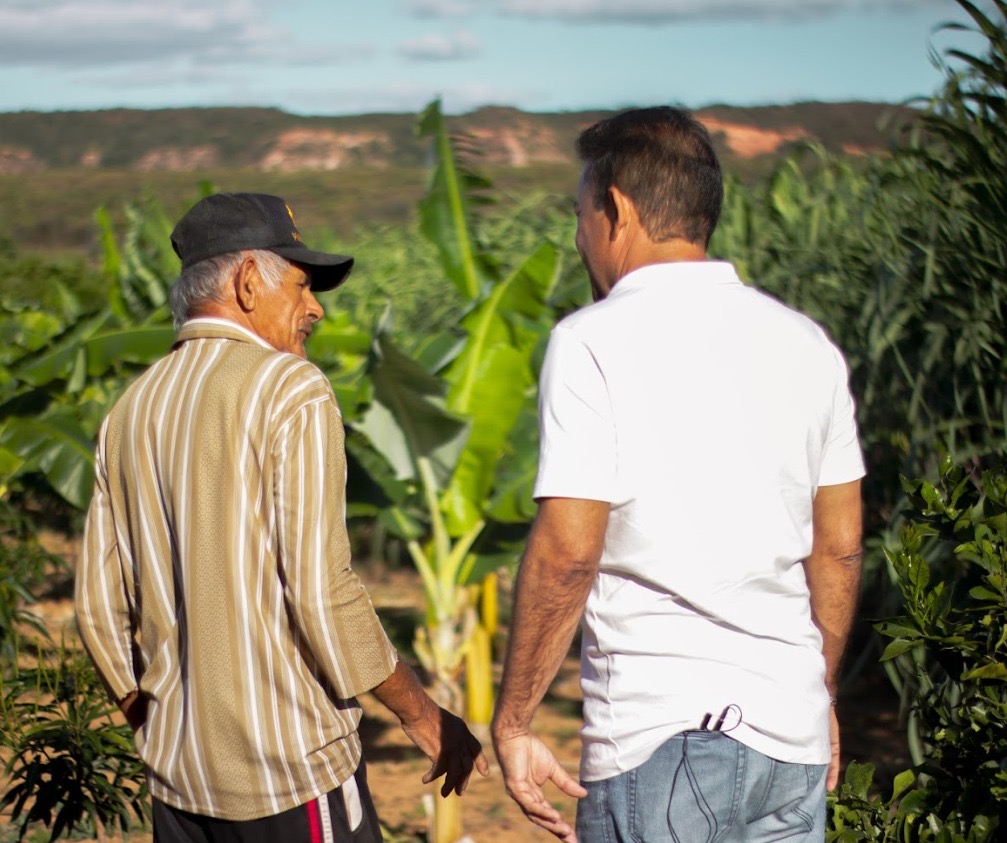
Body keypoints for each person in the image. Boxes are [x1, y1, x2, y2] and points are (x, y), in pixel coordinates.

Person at [491, 108, 864, 843]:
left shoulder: (591, 339)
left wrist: (513, 720)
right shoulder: (806, 343)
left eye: (580, 214)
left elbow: (568, 551)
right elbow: (840, 546)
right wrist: (815, 690)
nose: (579, 238)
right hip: (790, 740)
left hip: (664, 735)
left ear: (616, 209)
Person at [75, 192, 488, 843]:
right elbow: (324, 594)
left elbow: (99, 607)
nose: (315, 306)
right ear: (245, 283)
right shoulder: (291, 389)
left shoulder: (130, 407)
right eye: (300, 284)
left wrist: (157, 721)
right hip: (292, 777)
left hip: (179, 785)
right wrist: (423, 715)